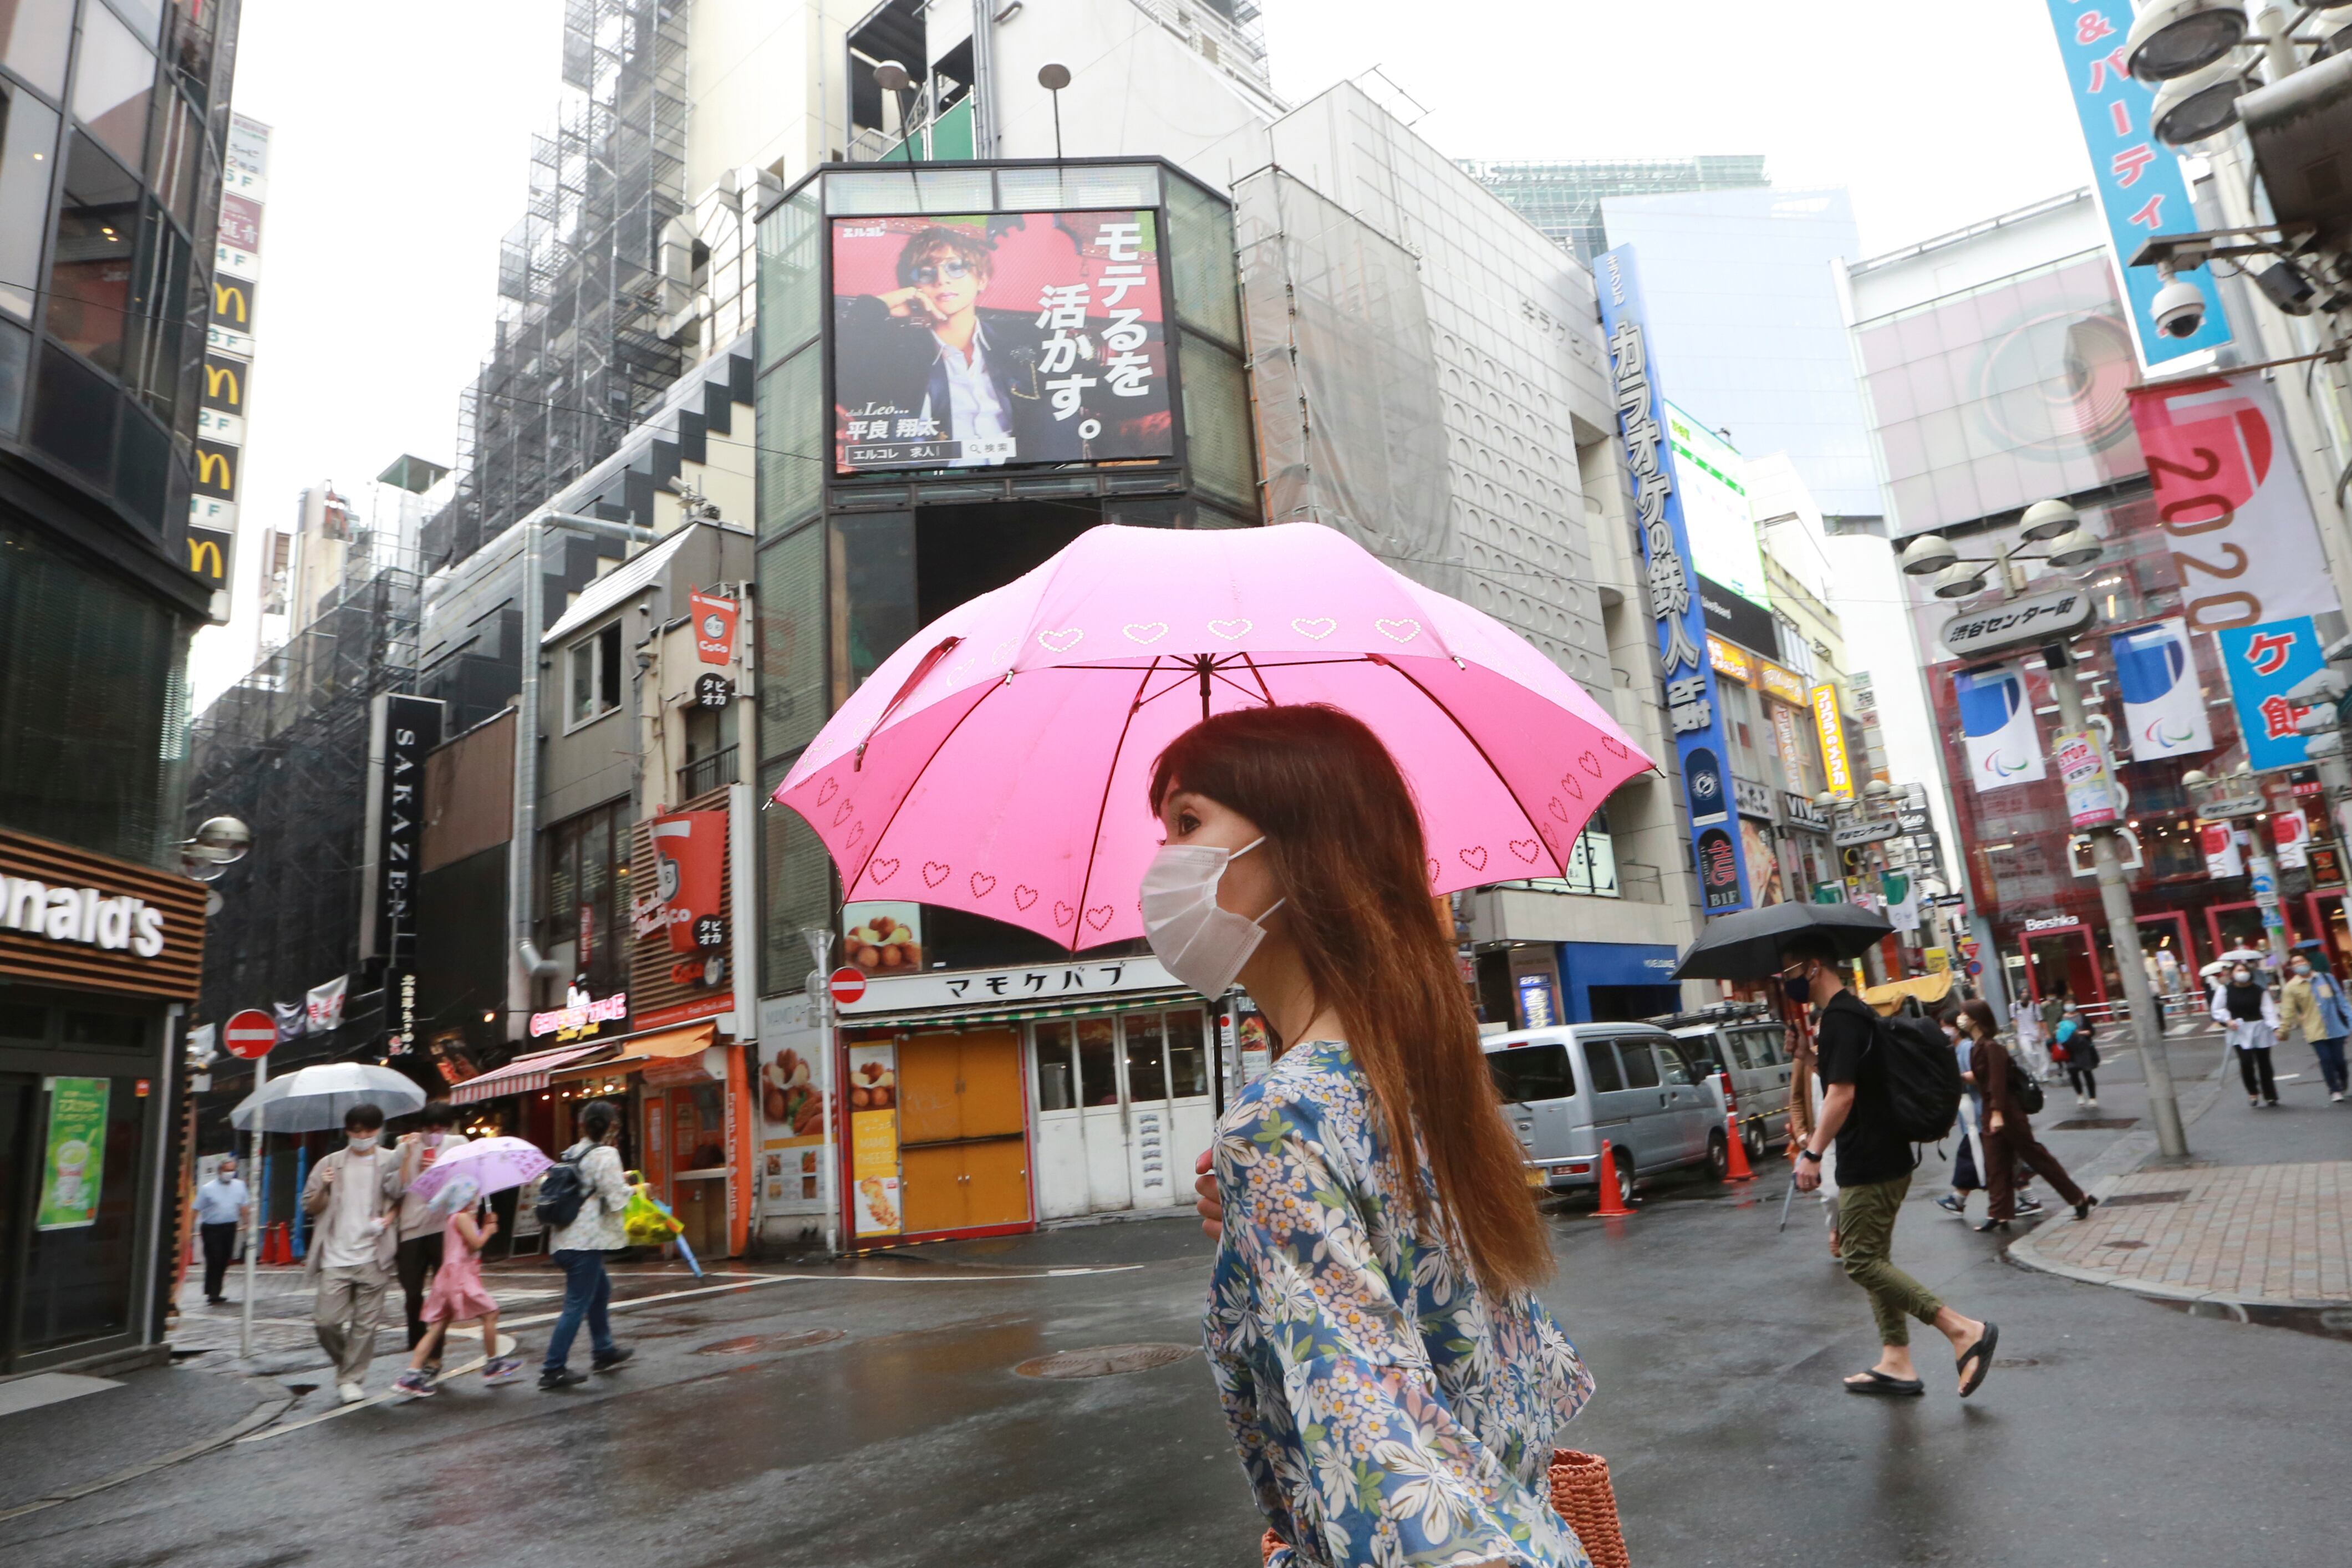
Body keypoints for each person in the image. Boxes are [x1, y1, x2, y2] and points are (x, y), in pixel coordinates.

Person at [1169, 705, 1596, 1566]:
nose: (1162, 862)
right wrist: (1258, 1236)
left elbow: (1374, 1454)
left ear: (1297, 846)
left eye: (1186, 822)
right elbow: (1517, 1368)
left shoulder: (1281, 1118)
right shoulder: (1416, 1073)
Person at [1784, 933, 1999, 1399]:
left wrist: (1813, 1154)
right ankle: (1896, 1360)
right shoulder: (1852, 1013)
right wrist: (1806, 1056)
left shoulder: (1841, 1018)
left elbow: (1842, 1095)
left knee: (1860, 1259)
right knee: (1873, 1257)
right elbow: (1850, 1079)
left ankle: (1963, 1331)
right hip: (1885, 1154)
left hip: (1872, 1160)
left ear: (1813, 967)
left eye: (1789, 973)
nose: (1787, 983)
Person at [832, 223, 1093, 467]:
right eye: (926, 272)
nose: (941, 279)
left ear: (981, 279)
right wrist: (893, 300)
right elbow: (840, 350)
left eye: (956, 267)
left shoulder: (1023, 338)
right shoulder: (897, 353)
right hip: (936, 487)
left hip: (1026, 482)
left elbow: (1075, 388)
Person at [1955, 1001, 2095, 1233]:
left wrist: (1998, 1113)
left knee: (2038, 1158)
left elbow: (1998, 1083)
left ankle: (2078, 1198)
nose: (1960, 1018)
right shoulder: (1978, 1047)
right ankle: (1998, 1214)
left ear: (1975, 1019)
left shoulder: (1992, 1048)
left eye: (1963, 1014)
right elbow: (1983, 1078)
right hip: (1992, 1113)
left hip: (2007, 1113)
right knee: (1996, 1164)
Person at [299, 1104, 404, 1403]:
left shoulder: (389, 1160)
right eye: (357, 1131)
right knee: (325, 1322)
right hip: (335, 1256)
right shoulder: (329, 1164)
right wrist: (325, 1188)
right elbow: (309, 1205)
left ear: (379, 1130)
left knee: (365, 1324)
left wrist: (390, 1218)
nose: (363, 1136)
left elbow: (401, 1195)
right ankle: (349, 1364)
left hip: (374, 1254)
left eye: (369, 1130)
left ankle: (351, 1378)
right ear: (347, 1131)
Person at [393, 1183, 525, 1396]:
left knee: (437, 1326)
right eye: (473, 1195)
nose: (477, 1199)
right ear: (464, 1197)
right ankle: (493, 1363)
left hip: (449, 1276)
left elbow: (470, 1246)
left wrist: (482, 1225)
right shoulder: (462, 1218)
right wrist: (489, 1231)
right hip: (460, 1276)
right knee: (491, 1313)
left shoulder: (457, 1218)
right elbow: (477, 1244)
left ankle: (412, 1374)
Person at [541, 1099, 634, 1391]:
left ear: (583, 1125)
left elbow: (591, 1186)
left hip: (563, 1240)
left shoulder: (572, 1153)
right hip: (585, 1243)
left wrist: (621, 1182)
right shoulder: (607, 1154)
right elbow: (615, 1196)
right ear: (611, 1126)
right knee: (576, 1304)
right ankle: (552, 1369)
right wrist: (637, 1190)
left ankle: (604, 1350)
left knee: (601, 1289)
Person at [394, 1102, 470, 1358]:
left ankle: (433, 1356)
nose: (435, 1132)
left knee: (443, 1293)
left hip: (443, 1227)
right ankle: (418, 1348)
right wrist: (407, 1157)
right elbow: (395, 1189)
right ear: (422, 1126)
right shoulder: (407, 1146)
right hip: (411, 1227)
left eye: (441, 1127)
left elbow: (467, 1185)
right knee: (412, 1291)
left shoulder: (458, 1144)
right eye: (430, 1127)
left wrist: (440, 1173)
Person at [2280, 950, 2351, 1103]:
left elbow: (2341, 1001)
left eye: (2301, 961)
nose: (2300, 964)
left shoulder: (2326, 978)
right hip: (2314, 1029)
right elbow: (2288, 1011)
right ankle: (2334, 1089)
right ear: (2292, 968)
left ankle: (2343, 1080)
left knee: (2339, 1060)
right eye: (2295, 963)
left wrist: (2350, 1020)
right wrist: (2283, 1030)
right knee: (2326, 1059)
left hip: (2335, 1027)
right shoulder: (2291, 987)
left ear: (2308, 963)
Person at [2213, 962, 2282, 1106]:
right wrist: (2228, 1020)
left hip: (2259, 1028)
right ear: (2232, 973)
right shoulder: (2225, 990)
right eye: (2239, 970)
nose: (2242, 973)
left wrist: (2275, 1027)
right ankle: (2253, 1092)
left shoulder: (2259, 990)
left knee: (2264, 1063)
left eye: (2245, 970)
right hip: (2239, 1030)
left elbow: (2268, 1010)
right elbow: (2217, 1009)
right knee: (2246, 1062)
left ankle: (2270, 1094)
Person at [194, 1155, 251, 1306]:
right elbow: (196, 1209)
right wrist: (191, 1229)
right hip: (212, 1228)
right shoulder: (207, 1189)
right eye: (227, 1170)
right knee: (215, 1259)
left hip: (230, 1227)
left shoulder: (239, 1186)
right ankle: (212, 1292)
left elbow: (244, 1206)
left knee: (225, 1259)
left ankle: (216, 1291)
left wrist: (247, 1223)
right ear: (220, 1171)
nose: (230, 1173)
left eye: (233, 1170)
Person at [2054, 1004, 2102, 1108]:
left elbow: (2092, 1031)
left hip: (2083, 1048)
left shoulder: (2082, 1017)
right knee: (2073, 1073)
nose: (2069, 1005)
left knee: (2087, 1072)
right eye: (2067, 1003)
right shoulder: (2061, 1018)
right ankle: (2080, 1095)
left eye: (2071, 1003)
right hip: (2069, 1050)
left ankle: (2092, 1098)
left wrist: (2086, 1033)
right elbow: (2057, 1033)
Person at [2010, 992, 2048, 1080]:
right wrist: (2017, 1031)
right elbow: (2014, 1020)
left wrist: (2040, 1034)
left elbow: (2039, 1020)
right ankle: (2036, 1070)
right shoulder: (2014, 1006)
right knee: (2028, 1053)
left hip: (2035, 1032)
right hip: (2023, 1034)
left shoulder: (2035, 1007)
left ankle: (2043, 1073)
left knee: (2042, 1054)